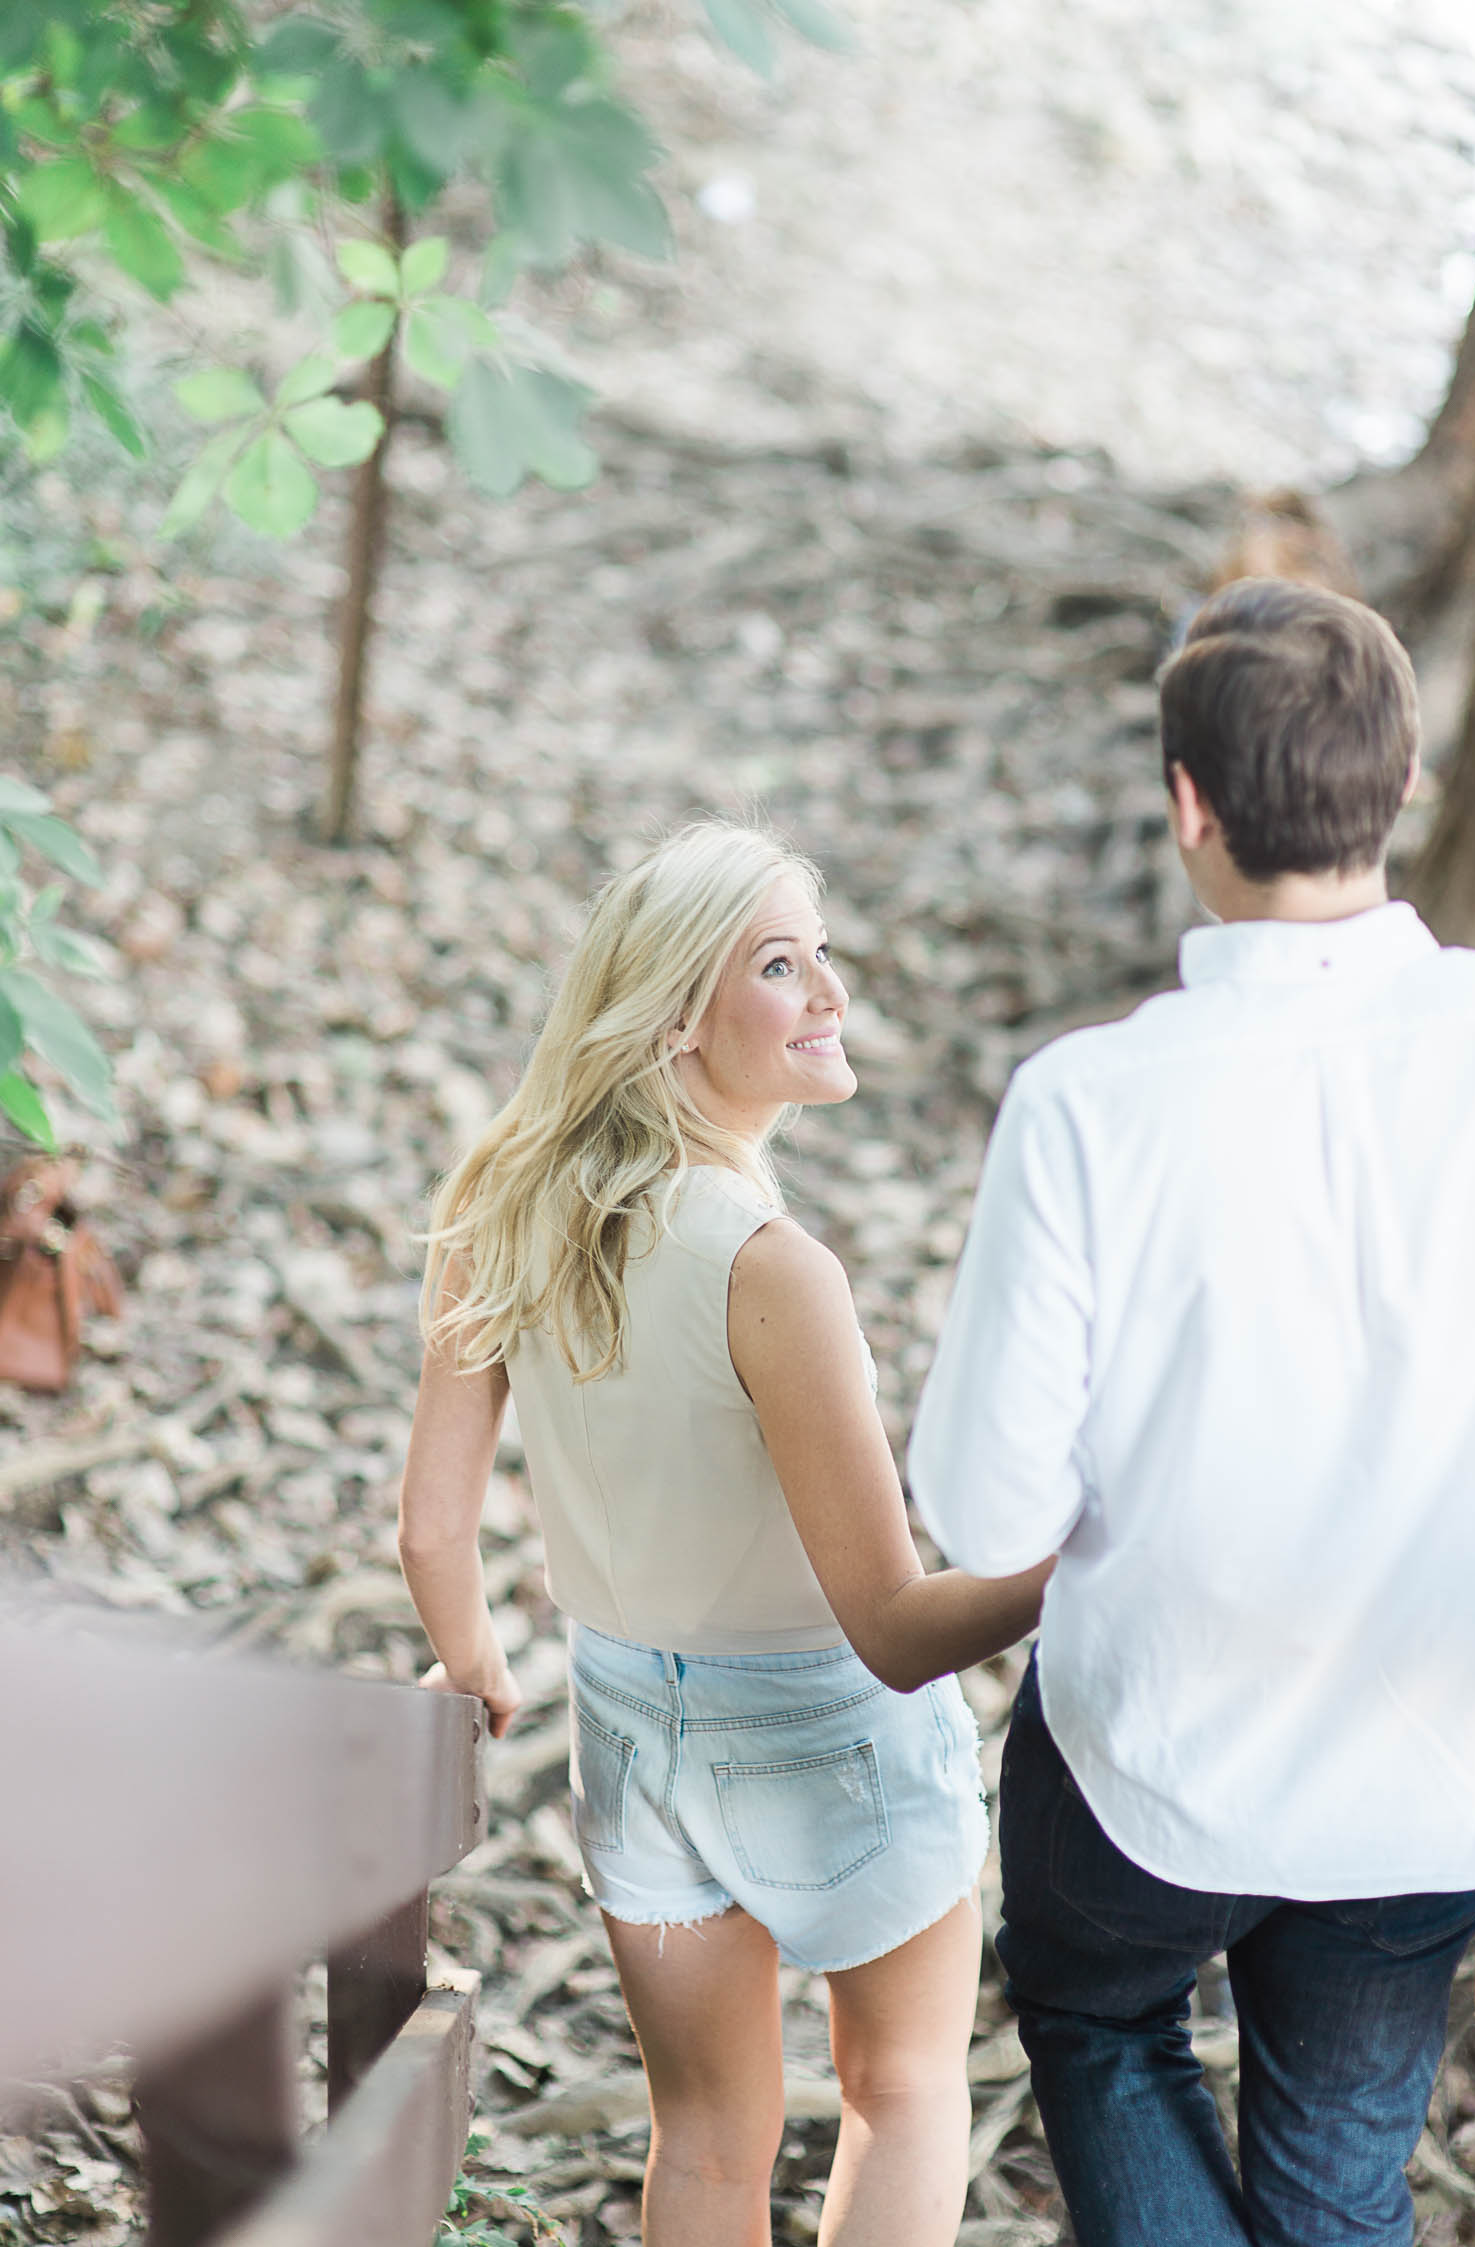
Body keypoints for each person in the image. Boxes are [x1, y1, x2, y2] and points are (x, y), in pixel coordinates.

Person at [908, 575, 1475, 2247]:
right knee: (1338, 2180)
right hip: (1443, 1763)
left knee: (1098, 2020)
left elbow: (988, 1518)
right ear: (1403, 786)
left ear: (1189, 804)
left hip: (1161, 1767)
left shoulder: (1092, 1108)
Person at [397, 820, 1051, 2247]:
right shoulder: (772, 1269)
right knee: (904, 2092)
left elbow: (434, 1529)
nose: (829, 994)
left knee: (703, 2139)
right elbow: (887, 1627)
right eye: (779, 964)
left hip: (629, 1729)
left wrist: (474, 1665)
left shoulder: (503, 1209)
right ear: (678, 1021)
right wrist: (1078, 1567)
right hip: (825, 1731)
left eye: (824, 958)